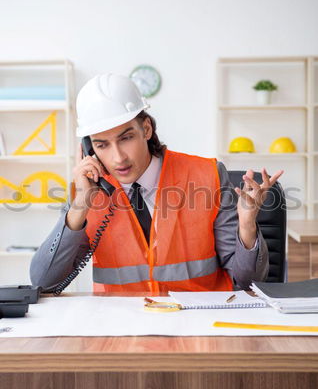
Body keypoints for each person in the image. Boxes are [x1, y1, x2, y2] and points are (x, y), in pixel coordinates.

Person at [30, 73, 283, 295]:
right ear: (88, 149)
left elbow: (248, 283)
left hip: (199, 328)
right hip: (121, 333)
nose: (118, 158)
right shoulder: (88, 191)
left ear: (146, 129)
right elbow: (44, 283)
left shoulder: (209, 175)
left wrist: (248, 226)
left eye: (126, 137)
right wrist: (80, 206)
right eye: (102, 144)